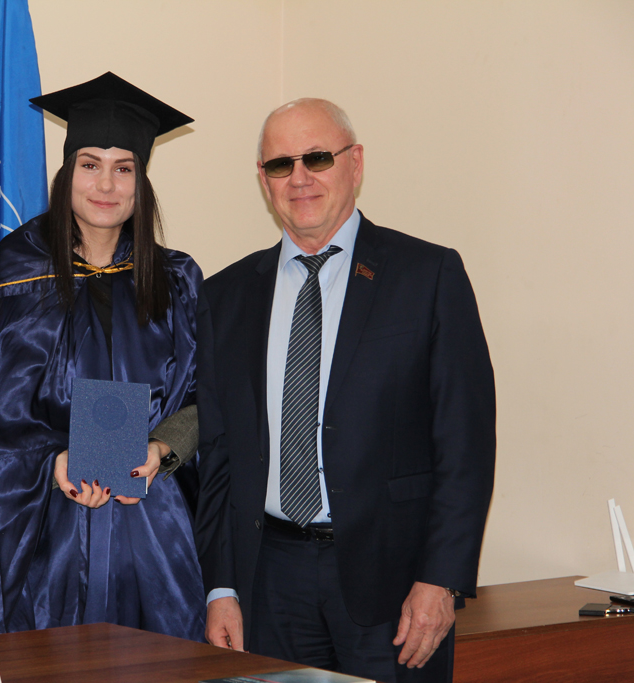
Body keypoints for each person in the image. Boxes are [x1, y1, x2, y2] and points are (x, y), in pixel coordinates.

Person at [194, 98, 495, 682]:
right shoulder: (226, 296)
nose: (299, 178)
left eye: (317, 158)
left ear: (355, 163)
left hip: (395, 587)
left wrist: (441, 580)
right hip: (268, 582)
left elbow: (466, 445)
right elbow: (219, 454)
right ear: (263, 180)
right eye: (280, 165)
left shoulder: (428, 276)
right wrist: (221, 587)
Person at [0, 72, 205, 640]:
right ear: (66, 174)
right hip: (47, 538)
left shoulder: (177, 281)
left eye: (124, 168)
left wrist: (163, 447)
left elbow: (208, 397)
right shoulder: (14, 278)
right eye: (90, 164)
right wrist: (51, 461)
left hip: (157, 535)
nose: (106, 184)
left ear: (141, 182)